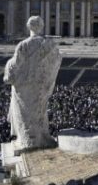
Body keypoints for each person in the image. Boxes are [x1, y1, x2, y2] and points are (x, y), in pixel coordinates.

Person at [4, 16, 62, 151]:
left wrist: (8, 67)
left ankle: (27, 140)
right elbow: (57, 59)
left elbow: (14, 66)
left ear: (28, 26)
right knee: (39, 111)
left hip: (25, 88)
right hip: (40, 86)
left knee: (25, 114)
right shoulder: (48, 44)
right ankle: (41, 138)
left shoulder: (23, 45)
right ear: (41, 27)